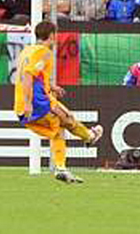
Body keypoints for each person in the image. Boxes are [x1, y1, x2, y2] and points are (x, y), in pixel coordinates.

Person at [14, 21, 103, 183]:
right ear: (52, 36)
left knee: (59, 127)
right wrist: (29, 103)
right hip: (36, 103)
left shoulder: (27, 50)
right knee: (66, 119)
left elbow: (32, 75)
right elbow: (27, 75)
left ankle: (62, 168)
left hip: (25, 102)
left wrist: (51, 86)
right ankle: (89, 136)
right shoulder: (44, 52)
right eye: (55, 35)